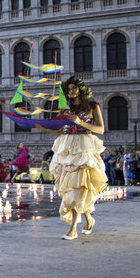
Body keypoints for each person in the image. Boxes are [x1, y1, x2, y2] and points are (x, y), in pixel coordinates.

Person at [36, 77, 106, 240]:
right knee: (71, 190)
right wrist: (44, 129)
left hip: (83, 147)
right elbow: (61, 131)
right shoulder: (65, 108)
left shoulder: (92, 106)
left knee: (79, 188)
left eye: (74, 88)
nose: (71, 91)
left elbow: (100, 129)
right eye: (69, 89)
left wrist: (80, 121)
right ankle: (89, 219)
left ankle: (73, 229)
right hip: (66, 148)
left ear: (81, 89)